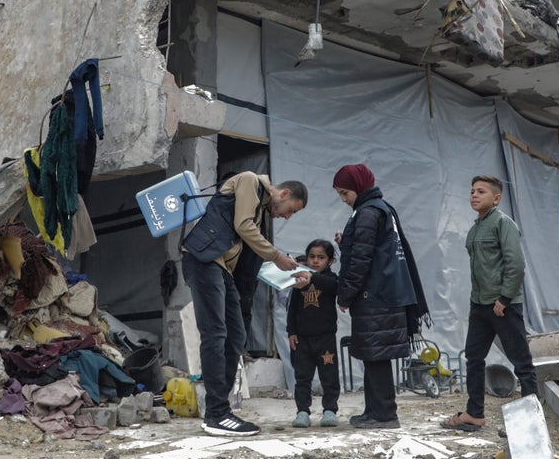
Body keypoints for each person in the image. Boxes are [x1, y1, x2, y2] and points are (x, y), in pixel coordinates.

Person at [181, 170, 307, 436]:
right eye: (290, 210)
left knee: (235, 335)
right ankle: (216, 414)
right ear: (284, 193)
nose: (286, 216)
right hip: (205, 261)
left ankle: (220, 409)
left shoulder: (261, 210)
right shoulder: (250, 180)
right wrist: (275, 255)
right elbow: (242, 226)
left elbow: (249, 253)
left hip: (222, 269)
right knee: (215, 334)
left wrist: (287, 270)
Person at [333, 164, 429, 430]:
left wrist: (346, 295)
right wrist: (347, 243)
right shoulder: (379, 208)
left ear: (358, 187)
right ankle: (374, 411)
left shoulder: (367, 212)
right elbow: (371, 249)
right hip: (385, 294)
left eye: (345, 193)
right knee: (373, 354)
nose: (344, 199)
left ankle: (385, 415)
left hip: (375, 296)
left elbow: (361, 261)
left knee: (376, 356)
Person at [441, 175, 538, 432]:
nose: (474, 195)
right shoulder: (475, 229)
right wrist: (478, 303)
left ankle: (530, 421)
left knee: (521, 362)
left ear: (496, 198)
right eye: (472, 191)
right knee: (473, 358)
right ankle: (474, 414)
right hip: (480, 305)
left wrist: (504, 298)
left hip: (503, 305)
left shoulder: (503, 224)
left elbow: (516, 265)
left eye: (481, 191)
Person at [287, 239, 340, 428]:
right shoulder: (299, 282)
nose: (316, 261)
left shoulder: (330, 280)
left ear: (330, 261)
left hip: (325, 339)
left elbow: (334, 288)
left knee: (329, 376)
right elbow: (292, 309)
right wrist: (291, 331)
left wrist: (311, 276)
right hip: (303, 340)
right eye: (312, 257)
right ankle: (302, 411)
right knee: (302, 377)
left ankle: (330, 410)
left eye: (321, 257)